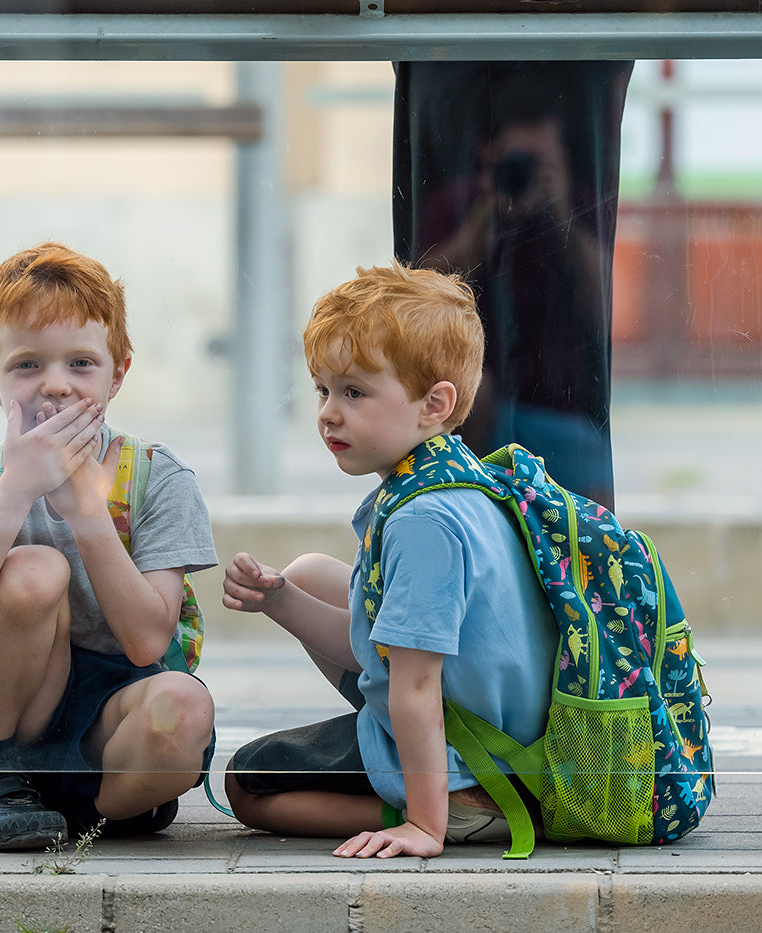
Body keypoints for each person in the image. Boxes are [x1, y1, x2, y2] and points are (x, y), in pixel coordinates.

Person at [222, 261, 557, 859]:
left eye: (354, 392)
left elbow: (418, 685)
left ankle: (457, 814)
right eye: (324, 389)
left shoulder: (420, 523)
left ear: (434, 403)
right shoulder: (466, 481)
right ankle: (455, 800)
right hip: (499, 729)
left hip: (474, 757)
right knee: (307, 575)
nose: (327, 411)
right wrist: (280, 600)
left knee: (248, 784)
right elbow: (385, 648)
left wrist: (422, 828)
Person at [0, 242, 218, 851]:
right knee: (34, 570)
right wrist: (16, 490)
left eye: (81, 363)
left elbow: (146, 642)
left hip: (112, 704)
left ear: (118, 373)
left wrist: (87, 514)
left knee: (184, 707)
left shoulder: (158, 477)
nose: (55, 385)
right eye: (27, 365)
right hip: (1, 711)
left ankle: (85, 811)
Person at [393, 61, 633, 507]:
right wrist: (485, 217)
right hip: (472, 413)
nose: (525, 175)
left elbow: (606, 307)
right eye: (516, 162)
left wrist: (561, 215)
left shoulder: (579, 205)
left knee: (593, 530)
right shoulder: (459, 204)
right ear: (488, 153)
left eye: (538, 163)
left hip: (565, 413)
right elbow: (416, 301)